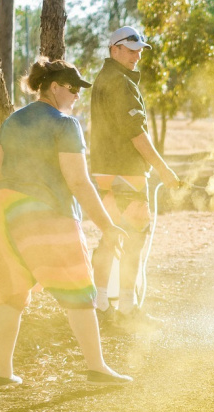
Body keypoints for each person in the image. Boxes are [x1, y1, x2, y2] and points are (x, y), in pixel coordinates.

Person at [0, 58, 132, 387]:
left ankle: (3, 373)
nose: (78, 94)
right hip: (45, 212)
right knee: (79, 290)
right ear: (53, 87)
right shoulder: (65, 125)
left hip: (3, 211)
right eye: (72, 88)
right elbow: (79, 183)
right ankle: (97, 369)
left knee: (11, 293)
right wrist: (108, 226)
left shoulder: (12, 121)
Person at [89, 26, 181, 323]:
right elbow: (136, 133)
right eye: (131, 50)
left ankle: (102, 306)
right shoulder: (120, 82)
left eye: (139, 50)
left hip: (105, 171)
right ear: (114, 49)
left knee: (109, 236)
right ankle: (126, 308)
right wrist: (163, 169)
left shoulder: (106, 78)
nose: (137, 55)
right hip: (125, 173)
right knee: (134, 239)